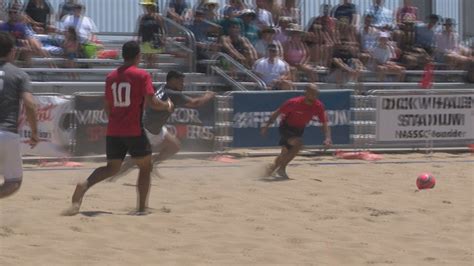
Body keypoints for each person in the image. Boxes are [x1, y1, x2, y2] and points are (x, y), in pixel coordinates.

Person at [63, 41, 173, 215]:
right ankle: (142, 208)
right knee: (146, 167)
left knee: (111, 168)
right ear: (138, 56)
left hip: (114, 130)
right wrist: (167, 105)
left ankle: (84, 185)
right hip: (134, 129)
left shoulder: (111, 77)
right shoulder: (142, 75)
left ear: (123, 55)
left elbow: (107, 106)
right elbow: (153, 102)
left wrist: (116, 119)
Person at [109, 70, 215, 181]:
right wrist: (208, 95)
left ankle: (152, 164)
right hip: (147, 130)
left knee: (175, 146)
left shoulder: (162, 86)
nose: (183, 84)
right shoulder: (173, 94)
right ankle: (114, 175)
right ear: (172, 80)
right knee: (134, 160)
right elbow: (195, 103)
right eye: (180, 81)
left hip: (156, 128)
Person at [260, 84, 332, 179]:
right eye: (313, 94)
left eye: (316, 94)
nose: (315, 96)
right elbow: (276, 113)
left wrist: (328, 138)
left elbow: (324, 123)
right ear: (306, 93)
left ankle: (270, 170)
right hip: (286, 127)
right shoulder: (293, 102)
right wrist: (266, 126)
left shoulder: (318, 105)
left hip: (299, 129)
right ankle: (281, 169)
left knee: (285, 153)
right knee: (298, 143)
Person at [0, 32, 38, 198]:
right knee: (13, 182)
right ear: (12, 51)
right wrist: (35, 133)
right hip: (6, 132)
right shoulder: (19, 74)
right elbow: (29, 105)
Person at [137, 0, 165, 69]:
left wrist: (163, 39)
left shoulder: (157, 17)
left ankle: (153, 76)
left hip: (154, 41)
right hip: (145, 40)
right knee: (146, 59)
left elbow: (162, 29)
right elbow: (140, 30)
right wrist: (138, 38)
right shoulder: (143, 18)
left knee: (153, 59)